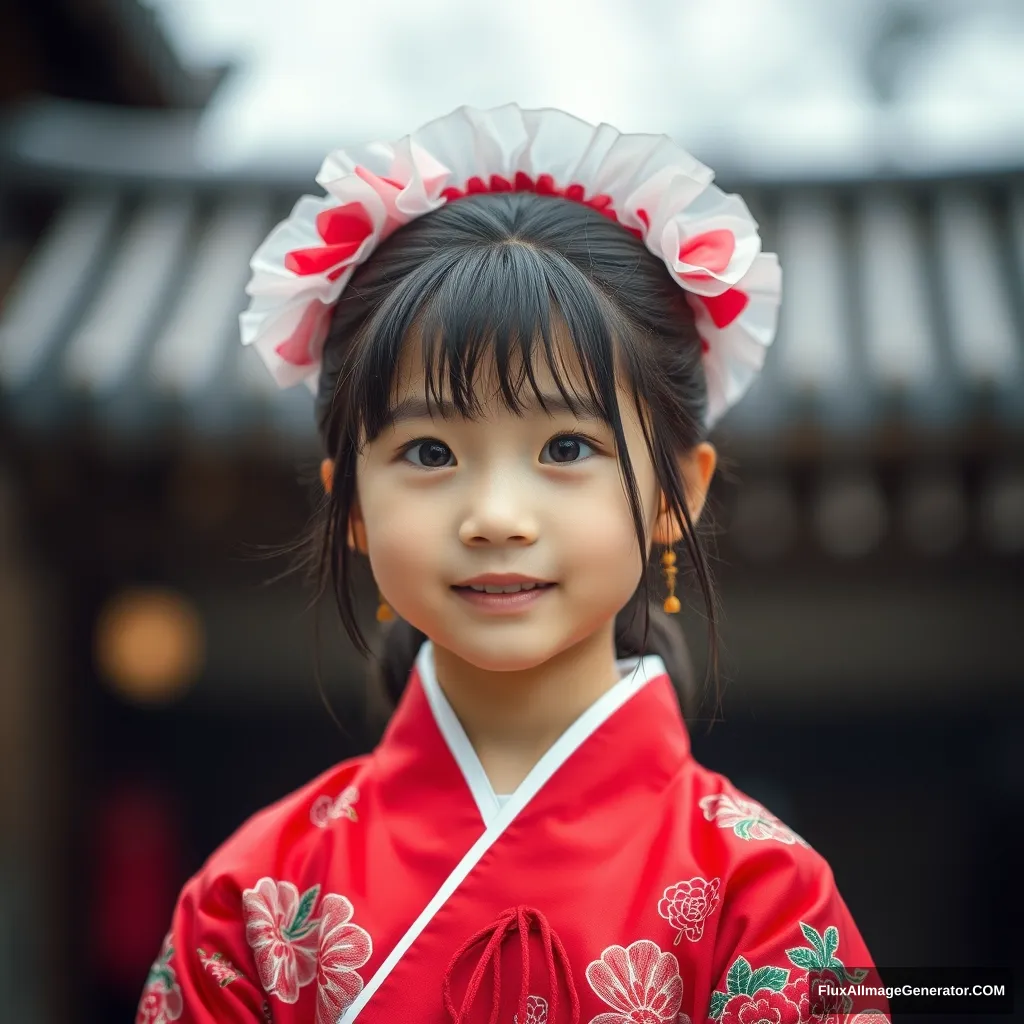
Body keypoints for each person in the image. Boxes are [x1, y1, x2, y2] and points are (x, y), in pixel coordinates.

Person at [136, 104, 890, 1024]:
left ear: (674, 494)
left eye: (568, 448)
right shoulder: (250, 899)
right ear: (353, 508)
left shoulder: (765, 898)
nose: (495, 518)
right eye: (428, 453)